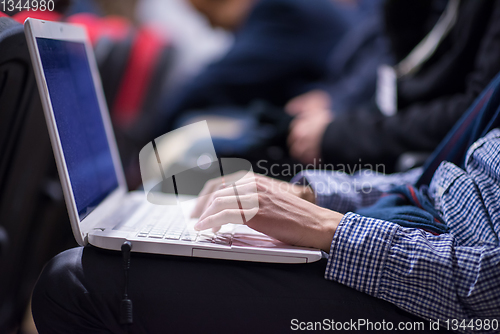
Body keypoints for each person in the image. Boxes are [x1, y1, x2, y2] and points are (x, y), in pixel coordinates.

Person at [31, 70, 500, 333]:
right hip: (406, 217)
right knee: (175, 153)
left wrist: (331, 228)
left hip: (437, 293)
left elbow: (485, 291)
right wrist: (310, 194)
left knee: (76, 281)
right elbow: (432, 175)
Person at [288, 0, 500, 172]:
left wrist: (341, 135)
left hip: (448, 176)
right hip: (408, 150)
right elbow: (412, 70)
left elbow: (476, 113)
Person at [158, 0, 352, 130]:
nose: (211, 26)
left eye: (207, 15)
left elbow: (213, 83)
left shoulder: (278, 13)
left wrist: (151, 139)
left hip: (340, 117)